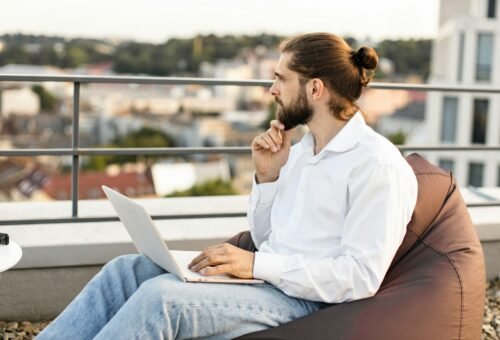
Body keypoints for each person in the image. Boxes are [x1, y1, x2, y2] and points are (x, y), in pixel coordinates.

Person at [37, 33, 417, 339]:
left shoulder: (377, 166)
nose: (272, 89)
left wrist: (255, 265)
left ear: (315, 89)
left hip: (307, 305)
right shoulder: (302, 151)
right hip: (265, 283)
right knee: (125, 271)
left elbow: (359, 277)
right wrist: (267, 179)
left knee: (162, 300)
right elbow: (269, 236)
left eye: (281, 78)